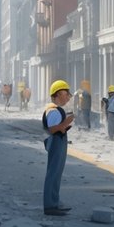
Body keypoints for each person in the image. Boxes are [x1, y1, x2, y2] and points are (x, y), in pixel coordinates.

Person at [42, 80, 76, 216]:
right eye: (66, 94)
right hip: (56, 142)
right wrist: (65, 123)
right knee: (53, 174)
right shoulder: (53, 110)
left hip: (58, 141)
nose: (68, 97)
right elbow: (52, 129)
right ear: (59, 94)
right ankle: (50, 205)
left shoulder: (55, 110)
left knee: (56, 173)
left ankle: (54, 202)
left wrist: (64, 125)